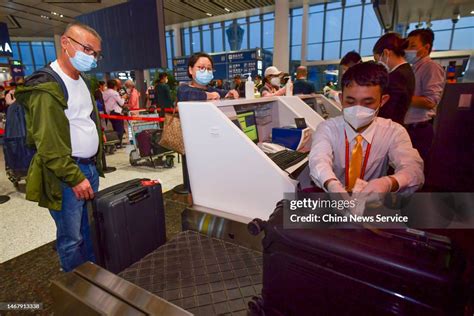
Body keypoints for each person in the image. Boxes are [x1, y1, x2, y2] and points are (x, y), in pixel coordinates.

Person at [15, 22, 104, 272]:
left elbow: (85, 120)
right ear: (65, 43)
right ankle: (76, 288)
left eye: (96, 53)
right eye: (87, 49)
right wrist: (74, 177)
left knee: (88, 228)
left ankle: (93, 277)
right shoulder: (47, 86)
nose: (92, 57)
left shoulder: (83, 80)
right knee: (71, 237)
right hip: (67, 175)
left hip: (88, 168)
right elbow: (49, 144)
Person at [309, 62, 423, 197]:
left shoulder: (393, 131)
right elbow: (319, 160)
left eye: (368, 103)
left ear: (383, 101)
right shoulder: (328, 128)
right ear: (341, 98)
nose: (358, 109)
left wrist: (389, 183)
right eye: (350, 102)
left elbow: (413, 169)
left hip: (373, 204)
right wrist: (331, 184)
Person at [404, 28, 445, 165]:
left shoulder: (431, 67)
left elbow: (430, 101)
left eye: (413, 46)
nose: (408, 50)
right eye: (407, 46)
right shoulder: (414, 68)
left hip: (419, 130)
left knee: (414, 169)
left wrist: (401, 98)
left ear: (426, 47)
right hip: (409, 128)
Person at [373, 32, 415, 125]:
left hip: (389, 127)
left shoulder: (398, 75)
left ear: (386, 53)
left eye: (377, 60)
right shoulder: (406, 70)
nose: (378, 64)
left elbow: (387, 111)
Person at [103, 79, 126, 147]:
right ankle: (119, 144)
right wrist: (124, 98)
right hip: (116, 112)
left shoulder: (105, 92)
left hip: (109, 113)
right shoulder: (114, 93)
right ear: (115, 86)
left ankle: (116, 143)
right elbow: (121, 103)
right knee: (120, 129)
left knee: (115, 128)